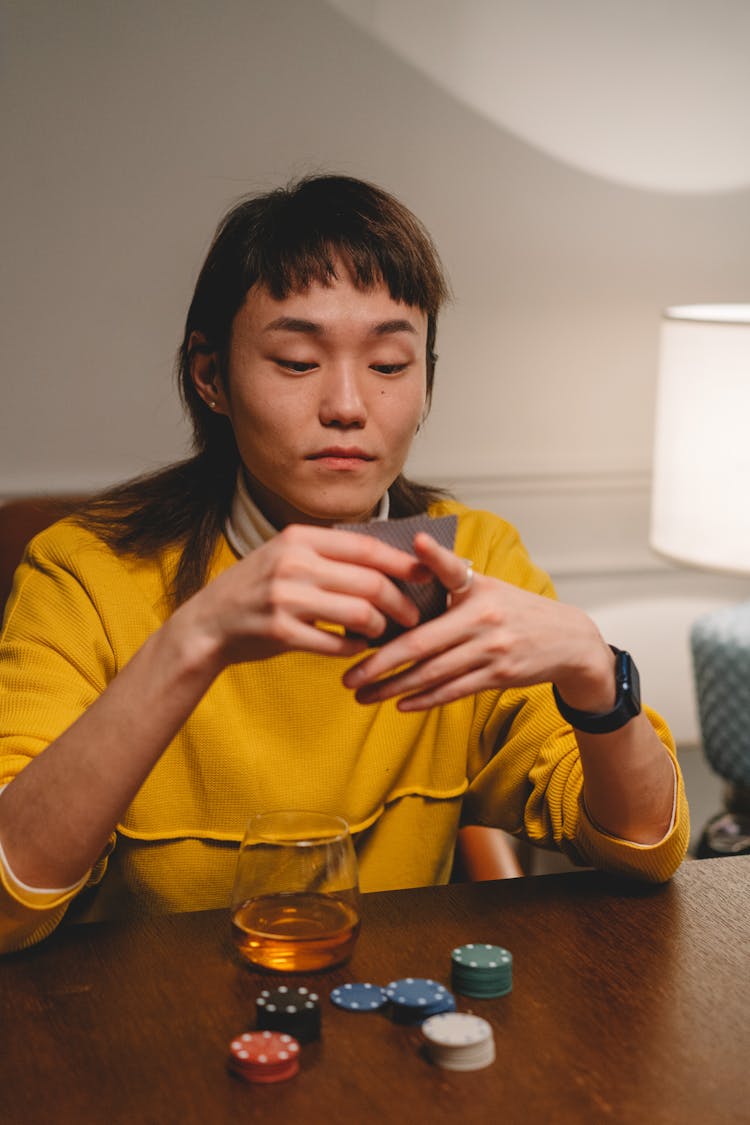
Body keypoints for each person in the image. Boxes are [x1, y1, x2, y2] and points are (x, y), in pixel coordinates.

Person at [0, 174, 688, 953]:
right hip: (149, 1029)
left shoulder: (473, 560)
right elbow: (7, 895)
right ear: (210, 376)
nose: (348, 406)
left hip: (386, 1026)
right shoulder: (85, 572)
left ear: (428, 381)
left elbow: (645, 848)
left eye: (390, 365)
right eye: (297, 361)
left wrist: (598, 678)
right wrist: (198, 636)